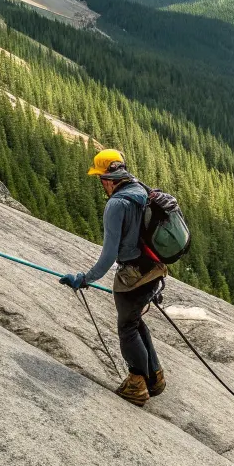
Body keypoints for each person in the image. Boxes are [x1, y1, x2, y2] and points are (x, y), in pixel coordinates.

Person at [60, 150, 168, 406]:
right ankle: (155, 376)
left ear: (107, 179)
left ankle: (137, 383)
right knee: (136, 322)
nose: (101, 184)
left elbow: (109, 255)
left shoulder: (116, 204)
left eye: (100, 178)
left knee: (127, 328)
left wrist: (84, 278)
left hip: (133, 275)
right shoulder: (141, 189)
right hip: (154, 268)